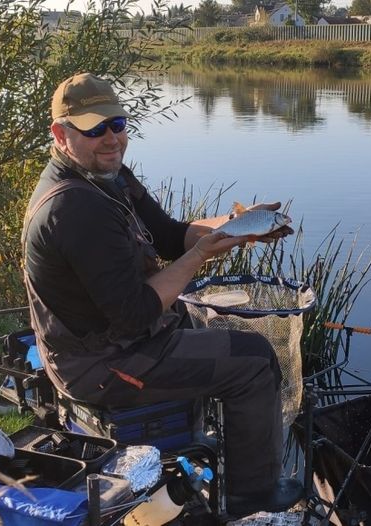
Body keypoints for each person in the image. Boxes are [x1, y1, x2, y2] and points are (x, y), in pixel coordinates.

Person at [22, 72, 301, 518]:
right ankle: (252, 499)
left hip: (121, 342)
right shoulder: (74, 209)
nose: (111, 139)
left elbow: (171, 237)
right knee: (254, 360)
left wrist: (240, 228)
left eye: (117, 124)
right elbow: (134, 314)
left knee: (211, 332)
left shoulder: (109, 178)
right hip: (101, 365)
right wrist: (203, 255)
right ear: (61, 134)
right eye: (94, 129)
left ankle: (209, 454)